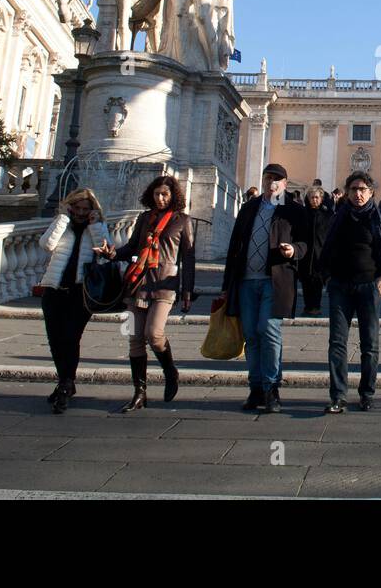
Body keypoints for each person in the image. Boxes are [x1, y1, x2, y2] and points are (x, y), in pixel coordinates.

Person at [94, 175, 196, 412]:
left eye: (165, 194)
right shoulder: (144, 218)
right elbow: (131, 248)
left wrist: (188, 291)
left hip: (164, 285)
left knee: (154, 333)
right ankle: (140, 393)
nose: (160, 199)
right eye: (157, 194)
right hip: (137, 283)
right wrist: (111, 254)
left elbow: (188, 258)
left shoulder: (183, 221)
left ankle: (170, 371)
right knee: (135, 339)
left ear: (173, 196)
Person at [221, 164, 309, 413]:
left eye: (278, 179)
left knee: (268, 331)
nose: (273, 183)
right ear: (262, 180)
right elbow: (234, 246)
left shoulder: (293, 211)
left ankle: (272, 388)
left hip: (275, 280)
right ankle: (255, 387)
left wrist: (294, 251)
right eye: (269, 178)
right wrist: (226, 285)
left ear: (285, 183)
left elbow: (305, 243)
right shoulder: (249, 208)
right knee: (250, 334)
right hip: (246, 280)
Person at [318, 170, 381, 412]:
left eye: (363, 190)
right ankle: (338, 396)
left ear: (371, 193)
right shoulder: (337, 218)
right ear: (347, 193)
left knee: (369, 344)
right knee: (337, 342)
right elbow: (324, 247)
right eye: (354, 189)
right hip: (339, 286)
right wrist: (326, 276)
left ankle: (366, 393)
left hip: (369, 287)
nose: (358, 194)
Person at [37, 188, 109, 414]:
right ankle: (65, 382)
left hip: (81, 291)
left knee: (71, 337)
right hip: (54, 288)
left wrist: (95, 225)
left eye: (84, 209)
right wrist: (62, 218)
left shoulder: (97, 227)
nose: (80, 213)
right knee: (55, 340)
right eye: (76, 209)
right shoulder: (63, 224)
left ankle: (66, 385)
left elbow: (105, 250)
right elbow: (46, 244)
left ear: (92, 210)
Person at [296, 186, 333, 316]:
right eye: (312, 197)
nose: (314, 200)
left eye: (317, 197)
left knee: (317, 281)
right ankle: (307, 306)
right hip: (305, 253)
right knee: (306, 280)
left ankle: (316, 306)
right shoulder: (302, 213)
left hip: (320, 252)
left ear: (321, 198)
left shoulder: (327, 214)